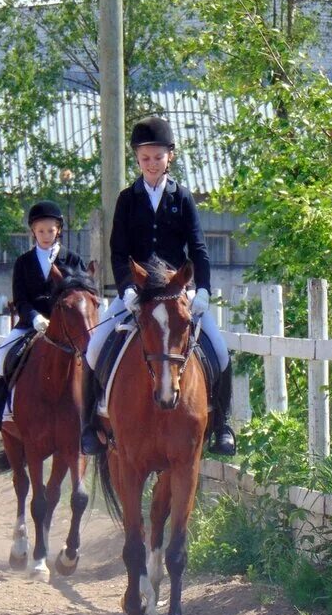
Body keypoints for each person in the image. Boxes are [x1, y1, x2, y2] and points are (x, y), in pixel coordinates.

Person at [81, 116, 236, 456]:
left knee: (220, 350)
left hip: (176, 292)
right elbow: (118, 252)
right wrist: (127, 290)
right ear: (137, 159)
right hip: (137, 293)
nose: (151, 164)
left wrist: (204, 289)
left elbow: (198, 247)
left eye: (157, 157)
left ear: (171, 156)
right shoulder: (127, 199)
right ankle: (90, 423)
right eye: (145, 158)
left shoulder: (182, 198)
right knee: (94, 347)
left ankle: (222, 424)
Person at [0, 200, 85, 431]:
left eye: (50, 230)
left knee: (92, 353)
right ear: (33, 231)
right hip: (31, 323)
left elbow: (81, 295)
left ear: (59, 230)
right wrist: (35, 317)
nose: (46, 235)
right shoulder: (23, 262)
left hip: (67, 327)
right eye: (41, 230)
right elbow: (20, 299)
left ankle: (95, 410)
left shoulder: (73, 260)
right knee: (4, 352)